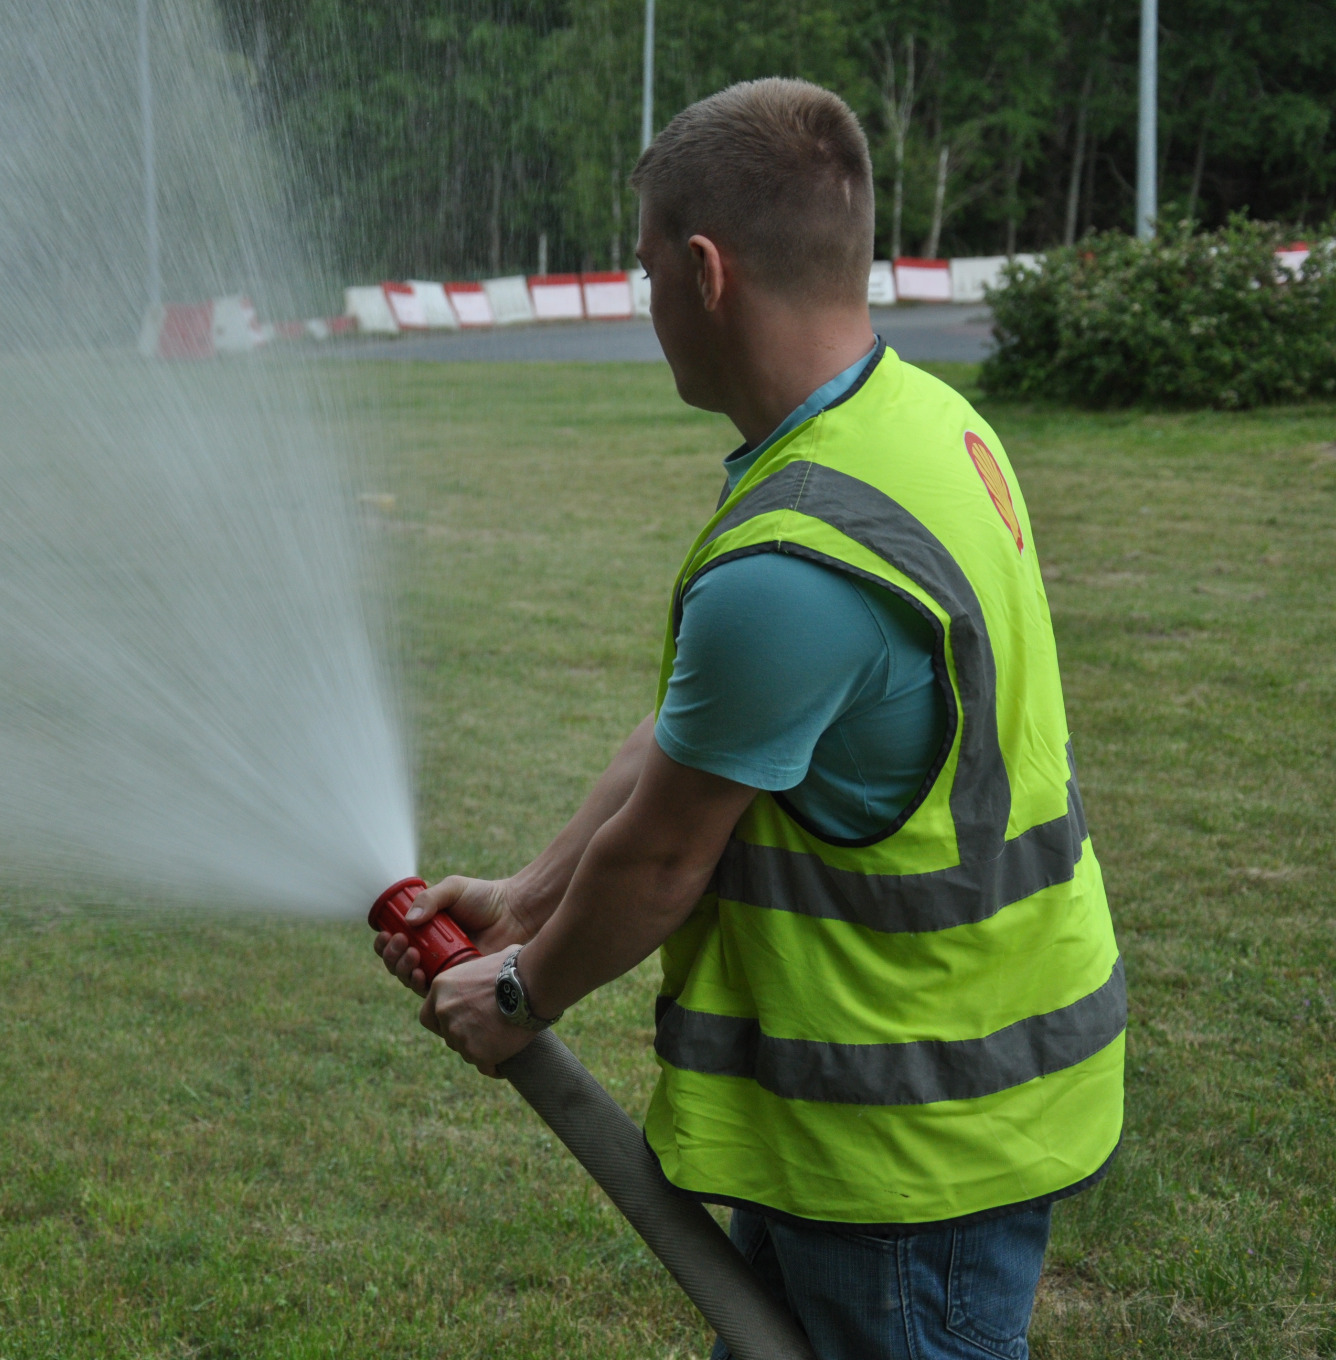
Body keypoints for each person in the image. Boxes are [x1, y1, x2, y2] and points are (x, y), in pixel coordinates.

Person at [375, 77, 1122, 1360]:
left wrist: (521, 993)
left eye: (644, 268)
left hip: (907, 1143)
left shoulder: (796, 555)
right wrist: (528, 897)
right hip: (898, 1095)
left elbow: (666, 855)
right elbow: (695, 744)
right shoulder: (920, 426)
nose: (644, 299)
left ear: (703, 271)